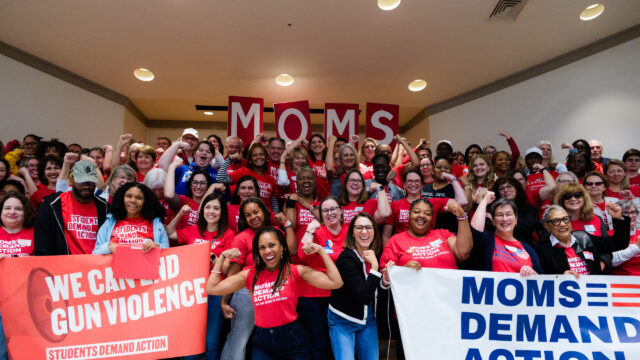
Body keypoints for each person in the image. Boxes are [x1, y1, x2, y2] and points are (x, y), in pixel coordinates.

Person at [206, 227, 343, 360]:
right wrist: (222, 257)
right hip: (262, 342)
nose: (267, 251)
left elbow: (336, 282)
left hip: (291, 339)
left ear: (282, 247)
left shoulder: (295, 271)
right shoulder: (250, 275)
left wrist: (321, 251)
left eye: (272, 245)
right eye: (262, 247)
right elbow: (212, 288)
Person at [218, 198, 295, 360]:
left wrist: (287, 225)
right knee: (239, 340)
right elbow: (233, 274)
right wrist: (224, 301)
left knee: (273, 340)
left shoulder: (276, 233)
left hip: (275, 294)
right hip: (247, 294)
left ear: (264, 211)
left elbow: (292, 251)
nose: (253, 217)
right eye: (248, 215)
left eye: (255, 212)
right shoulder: (241, 238)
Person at [166, 192, 234, 360]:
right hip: (192, 293)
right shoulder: (192, 231)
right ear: (202, 210)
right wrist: (181, 214)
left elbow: (227, 268)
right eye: (208, 207)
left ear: (221, 212)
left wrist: (213, 258)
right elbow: (169, 233)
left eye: (216, 208)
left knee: (211, 343)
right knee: (191, 343)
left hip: (215, 293)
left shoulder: (228, 234)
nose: (211, 211)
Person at [328, 212, 382, 360]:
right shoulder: (346, 258)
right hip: (343, 320)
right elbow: (364, 295)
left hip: (367, 318)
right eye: (359, 228)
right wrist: (375, 268)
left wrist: (386, 281)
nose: (364, 232)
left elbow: (377, 290)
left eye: (368, 228)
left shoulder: (375, 255)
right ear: (352, 232)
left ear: (374, 232)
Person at [34, 160, 109, 255]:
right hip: (64, 267)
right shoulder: (52, 205)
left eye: (91, 181)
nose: (87, 186)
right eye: (82, 181)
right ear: (72, 179)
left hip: (98, 266)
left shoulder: (105, 207)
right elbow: (43, 246)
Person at [535, 204, 629, 276]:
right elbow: (540, 277)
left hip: (593, 293)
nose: (562, 224)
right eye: (556, 221)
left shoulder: (583, 237)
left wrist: (618, 218)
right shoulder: (541, 249)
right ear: (547, 226)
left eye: (565, 219)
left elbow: (619, 243)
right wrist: (560, 279)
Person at [0, 191, 36, 359]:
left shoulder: (36, 233)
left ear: (25, 212)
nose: (12, 212)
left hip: (26, 301)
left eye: (18, 209)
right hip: (0, 300)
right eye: (7, 208)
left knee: (25, 350)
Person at [470, 191, 542, 274]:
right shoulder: (487, 240)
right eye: (500, 215)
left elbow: (540, 277)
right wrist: (485, 200)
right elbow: (475, 230)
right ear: (493, 221)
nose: (505, 219)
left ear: (516, 219)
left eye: (508, 214)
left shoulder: (528, 248)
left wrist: (533, 274)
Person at [93, 183, 168, 254]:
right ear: (122, 198)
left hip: (145, 266)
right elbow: (96, 252)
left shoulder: (156, 224)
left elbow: (168, 252)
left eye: (139, 198)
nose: (133, 200)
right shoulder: (110, 222)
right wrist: (109, 247)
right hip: (114, 266)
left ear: (146, 202)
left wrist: (156, 246)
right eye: (129, 196)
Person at [217, 142, 279, 212]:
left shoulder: (271, 179)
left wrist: (274, 218)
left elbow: (274, 205)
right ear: (250, 159)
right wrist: (229, 159)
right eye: (255, 155)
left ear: (266, 157)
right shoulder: (244, 172)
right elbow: (220, 178)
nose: (258, 157)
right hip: (245, 215)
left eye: (261, 154)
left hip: (266, 217)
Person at [165, 158, 219, 230]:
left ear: (208, 186)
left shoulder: (211, 207)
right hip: (178, 240)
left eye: (202, 183)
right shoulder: (183, 201)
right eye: (195, 182)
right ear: (190, 185)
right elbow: (169, 195)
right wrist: (172, 167)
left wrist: (213, 186)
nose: (198, 186)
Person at [489, 177, 538, 244]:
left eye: (509, 186)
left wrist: (504, 224)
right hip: (499, 244)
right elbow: (490, 227)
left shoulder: (529, 209)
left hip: (523, 245)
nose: (506, 190)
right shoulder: (492, 209)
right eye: (501, 188)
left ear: (516, 189)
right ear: (498, 193)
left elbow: (528, 227)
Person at [611, 200, 640, 275]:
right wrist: (636, 247)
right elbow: (612, 261)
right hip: (620, 280)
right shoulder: (610, 235)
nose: (630, 216)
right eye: (625, 213)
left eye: (633, 212)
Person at [308, 134, 331, 200]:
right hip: (313, 199)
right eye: (313, 142)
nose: (317, 144)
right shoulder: (308, 160)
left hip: (329, 198)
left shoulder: (329, 161)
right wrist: (302, 139)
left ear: (324, 146)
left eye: (319, 142)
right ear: (310, 147)